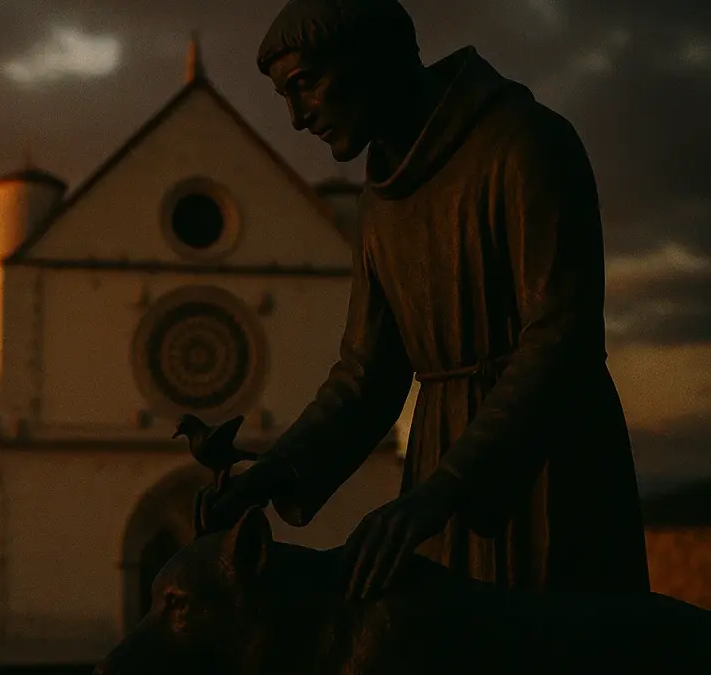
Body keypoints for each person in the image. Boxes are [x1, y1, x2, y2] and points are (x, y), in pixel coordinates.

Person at [201, 0, 650, 600]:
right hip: (439, 465)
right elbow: (367, 375)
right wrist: (273, 472)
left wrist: (448, 486)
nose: (296, 118)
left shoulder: (525, 143)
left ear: (369, 57)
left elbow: (559, 338)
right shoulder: (378, 202)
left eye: (305, 85)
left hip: (543, 462)